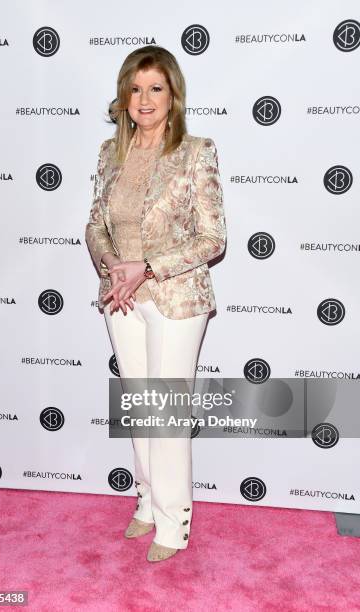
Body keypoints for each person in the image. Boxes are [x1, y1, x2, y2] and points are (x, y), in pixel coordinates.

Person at [85, 45, 226, 562]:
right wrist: (112, 268)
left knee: (164, 413)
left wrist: (143, 268)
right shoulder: (108, 153)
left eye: (156, 88)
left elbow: (213, 239)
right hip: (121, 298)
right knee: (139, 411)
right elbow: (95, 225)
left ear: (173, 95)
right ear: (124, 96)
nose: (144, 99)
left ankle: (175, 520)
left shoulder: (196, 151)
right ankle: (146, 501)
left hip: (174, 298)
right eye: (136, 88)